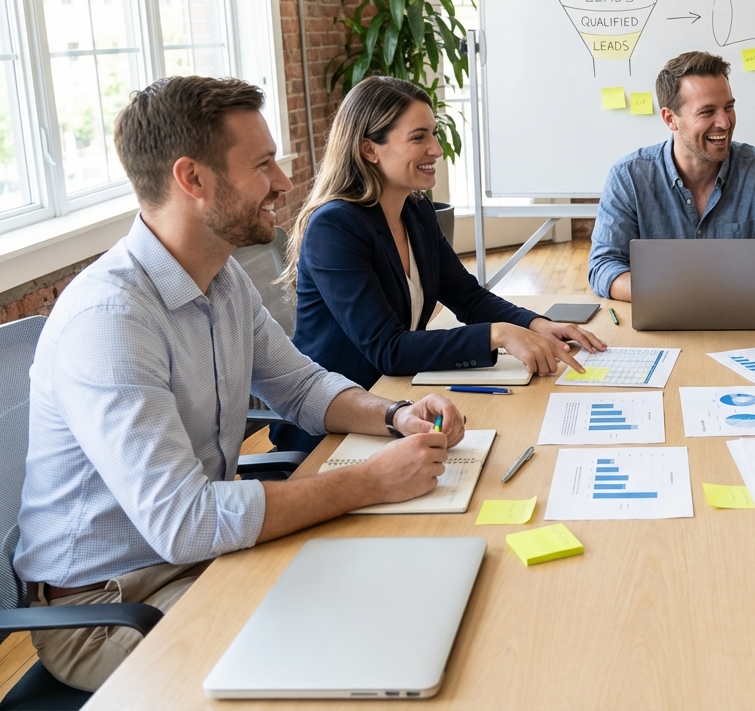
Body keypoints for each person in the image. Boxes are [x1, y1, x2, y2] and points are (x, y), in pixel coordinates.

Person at [14, 75, 465, 691]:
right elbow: (186, 521)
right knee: (341, 653)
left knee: (399, 593)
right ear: (192, 179)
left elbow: (302, 388)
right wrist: (367, 481)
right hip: (112, 607)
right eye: (263, 164)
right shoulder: (111, 321)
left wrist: (393, 417)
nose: (283, 182)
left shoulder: (221, 280)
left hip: (197, 561)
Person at [276, 76, 605, 452]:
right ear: (370, 149)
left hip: (399, 400)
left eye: (433, 134)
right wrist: (498, 334)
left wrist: (536, 325)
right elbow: (389, 349)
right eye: (418, 138)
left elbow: (468, 298)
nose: (436, 149)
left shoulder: (416, 211)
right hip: (342, 424)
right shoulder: (335, 227)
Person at [587, 51, 755, 302]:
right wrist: (680, 296)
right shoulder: (628, 177)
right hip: (662, 321)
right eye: (707, 112)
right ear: (671, 119)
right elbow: (604, 266)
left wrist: (714, 297)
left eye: (729, 107)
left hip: (743, 322)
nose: (724, 123)